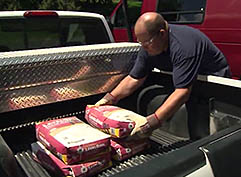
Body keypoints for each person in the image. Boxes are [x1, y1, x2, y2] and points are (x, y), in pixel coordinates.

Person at [95, 12, 231, 140]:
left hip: (212, 84)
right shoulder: (148, 46)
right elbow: (134, 78)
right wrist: (109, 98)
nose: (144, 47)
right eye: (140, 42)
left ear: (162, 34)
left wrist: (152, 123)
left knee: (202, 123)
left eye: (147, 43)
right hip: (186, 81)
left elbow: (182, 92)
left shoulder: (184, 46)